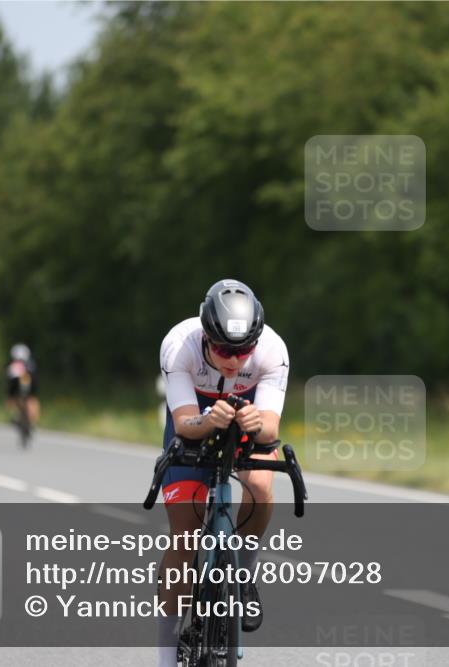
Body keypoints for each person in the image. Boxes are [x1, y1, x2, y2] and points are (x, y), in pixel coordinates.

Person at [156, 279, 289, 666]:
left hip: (248, 415)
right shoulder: (178, 344)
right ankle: (165, 659)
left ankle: (243, 576)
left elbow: (270, 429)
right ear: (205, 335)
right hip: (195, 416)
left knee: (261, 488)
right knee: (184, 536)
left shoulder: (273, 350)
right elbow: (183, 424)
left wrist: (254, 422)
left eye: (244, 350)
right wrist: (208, 419)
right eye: (223, 350)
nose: (234, 360)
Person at [5, 343, 40, 426]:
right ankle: (28, 417)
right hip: (28, 384)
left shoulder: (13, 364)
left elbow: (9, 381)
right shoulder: (31, 364)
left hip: (18, 385)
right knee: (32, 398)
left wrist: (9, 396)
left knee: (13, 397)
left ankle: (18, 415)